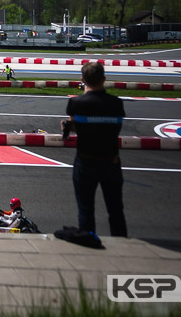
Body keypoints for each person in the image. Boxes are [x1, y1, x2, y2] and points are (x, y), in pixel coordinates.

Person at [63, 62, 127, 237]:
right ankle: (122, 242)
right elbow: (111, 129)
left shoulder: (75, 103)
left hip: (86, 160)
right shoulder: (116, 104)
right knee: (115, 209)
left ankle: (88, 239)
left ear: (83, 80)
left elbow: (78, 127)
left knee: (85, 208)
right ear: (104, 79)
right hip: (111, 161)